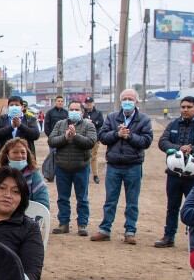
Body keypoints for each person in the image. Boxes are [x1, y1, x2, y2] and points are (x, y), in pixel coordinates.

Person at [154, 96, 194, 248]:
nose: (185, 110)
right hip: (174, 174)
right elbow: (162, 142)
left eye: (189, 107)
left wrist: (192, 149)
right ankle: (169, 236)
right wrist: (178, 148)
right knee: (172, 207)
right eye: (183, 107)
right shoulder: (173, 124)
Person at [91, 90, 152, 244]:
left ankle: (130, 231)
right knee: (110, 199)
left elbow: (146, 141)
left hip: (133, 165)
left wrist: (129, 136)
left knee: (132, 201)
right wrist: (117, 134)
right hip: (113, 165)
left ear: (136, 101)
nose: (127, 101)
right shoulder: (112, 118)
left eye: (130, 99)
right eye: (124, 98)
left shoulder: (143, 119)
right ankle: (105, 229)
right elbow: (102, 137)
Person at [0, 167, 45, 280]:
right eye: (1, 188)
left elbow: (32, 274)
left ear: (22, 198)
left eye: (16, 191)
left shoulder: (29, 228)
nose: (7, 195)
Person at [48, 100, 96, 235]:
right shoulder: (60, 124)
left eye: (77, 109)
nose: (74, 112)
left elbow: (91, 142)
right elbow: (51, 140)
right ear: (68, 111)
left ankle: (82, 224)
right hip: (62, 167)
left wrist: (75, 136)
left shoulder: (88, 125)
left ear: (82, 112)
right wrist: (65, 137)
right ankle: (63, 224)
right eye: (71, 109)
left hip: (81, 167)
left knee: (82, 198)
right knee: (63, 198)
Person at [0, 138, 49, 209]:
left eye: (23, 152)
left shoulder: (34, 175)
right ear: (7, 155)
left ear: (27, 155)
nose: (19, 156)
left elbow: (43, 202)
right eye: (15, 152)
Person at [0, 95, 40, 161]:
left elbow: (35, 135)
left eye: (17, 105)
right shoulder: (1, 119)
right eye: (11, 105)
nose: (14, 107)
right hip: (4, 158)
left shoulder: (30, 119)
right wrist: (11, 127)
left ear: (22, 107)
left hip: (24, 157)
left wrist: (20, 126)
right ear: (8, 107)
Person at [81, 96, 105, 184]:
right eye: (87, 103)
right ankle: (85, 174)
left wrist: (92, 122)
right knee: (84, 156)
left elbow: (101, 123)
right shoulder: (83, 113)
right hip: (83, 137)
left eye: (90, 103)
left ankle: (95, 175)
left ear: (93, 103)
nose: (88, 104)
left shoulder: (98, 113)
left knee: (93, 156)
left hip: (95, 137)